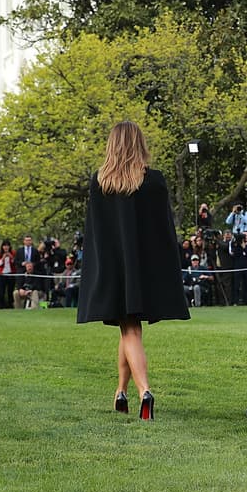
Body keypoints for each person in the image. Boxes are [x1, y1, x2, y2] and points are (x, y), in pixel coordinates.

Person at [77, 121, 190, 421]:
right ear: (139, 144)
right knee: (128, 329)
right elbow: (163, 230)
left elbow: (96, 233)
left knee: (128, 329)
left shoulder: (100, 182)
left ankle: (142, 391)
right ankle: (122, 391)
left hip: (114, 268)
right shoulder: (153, 181)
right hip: (142, 268)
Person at [0, 240, 15, 309]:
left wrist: (11, 256)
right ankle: (1, 307)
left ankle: (10, 306)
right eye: (4, 246)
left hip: (11, 274)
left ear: (9, 246)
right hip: (2, 274)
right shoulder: (0, 254)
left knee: (10, 291)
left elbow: (15, 263)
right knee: (1, 292)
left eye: (7, 246)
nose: (6, 247)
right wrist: (3, 258)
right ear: (2, 247)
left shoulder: (13, 253)